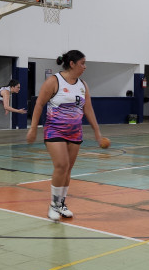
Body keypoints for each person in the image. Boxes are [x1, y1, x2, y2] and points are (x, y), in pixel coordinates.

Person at [27, 50, 104, 221]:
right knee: (61, 165)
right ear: (72, 64)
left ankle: (61, 203)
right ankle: (53, 205)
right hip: (55, 130)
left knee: (68, 169)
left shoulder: (83, 84)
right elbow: (39, 104)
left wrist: (97, 133)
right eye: (82, 63)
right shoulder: (54, 81)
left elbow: (88, 109)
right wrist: (33, 128)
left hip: (75, 132)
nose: (85, 66)